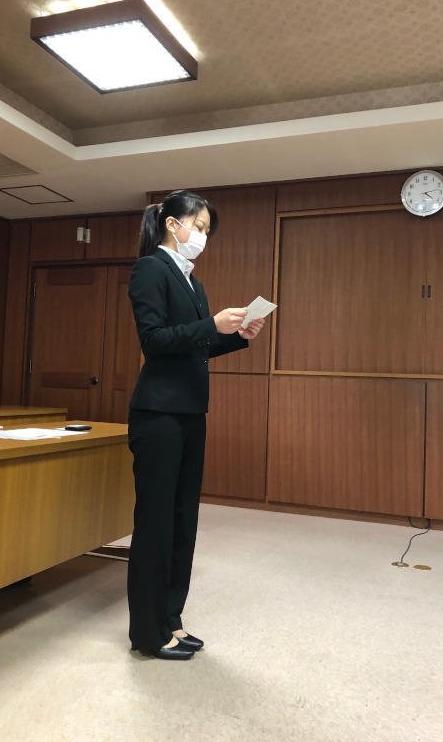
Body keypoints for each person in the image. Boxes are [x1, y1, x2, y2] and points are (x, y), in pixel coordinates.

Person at [126, 190, 266, 660]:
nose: (203, 236)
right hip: (158, 414)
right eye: (199, 227)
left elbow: (195, 346)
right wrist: (211, 325)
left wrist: (236, 335)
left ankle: (171, 618)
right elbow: (154, 340)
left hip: (190, 412)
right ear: (173, 224)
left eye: (207, 230)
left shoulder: (193, 282)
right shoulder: (150, 268)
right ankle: (148, 633)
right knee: (156, 523)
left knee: (183, 520)